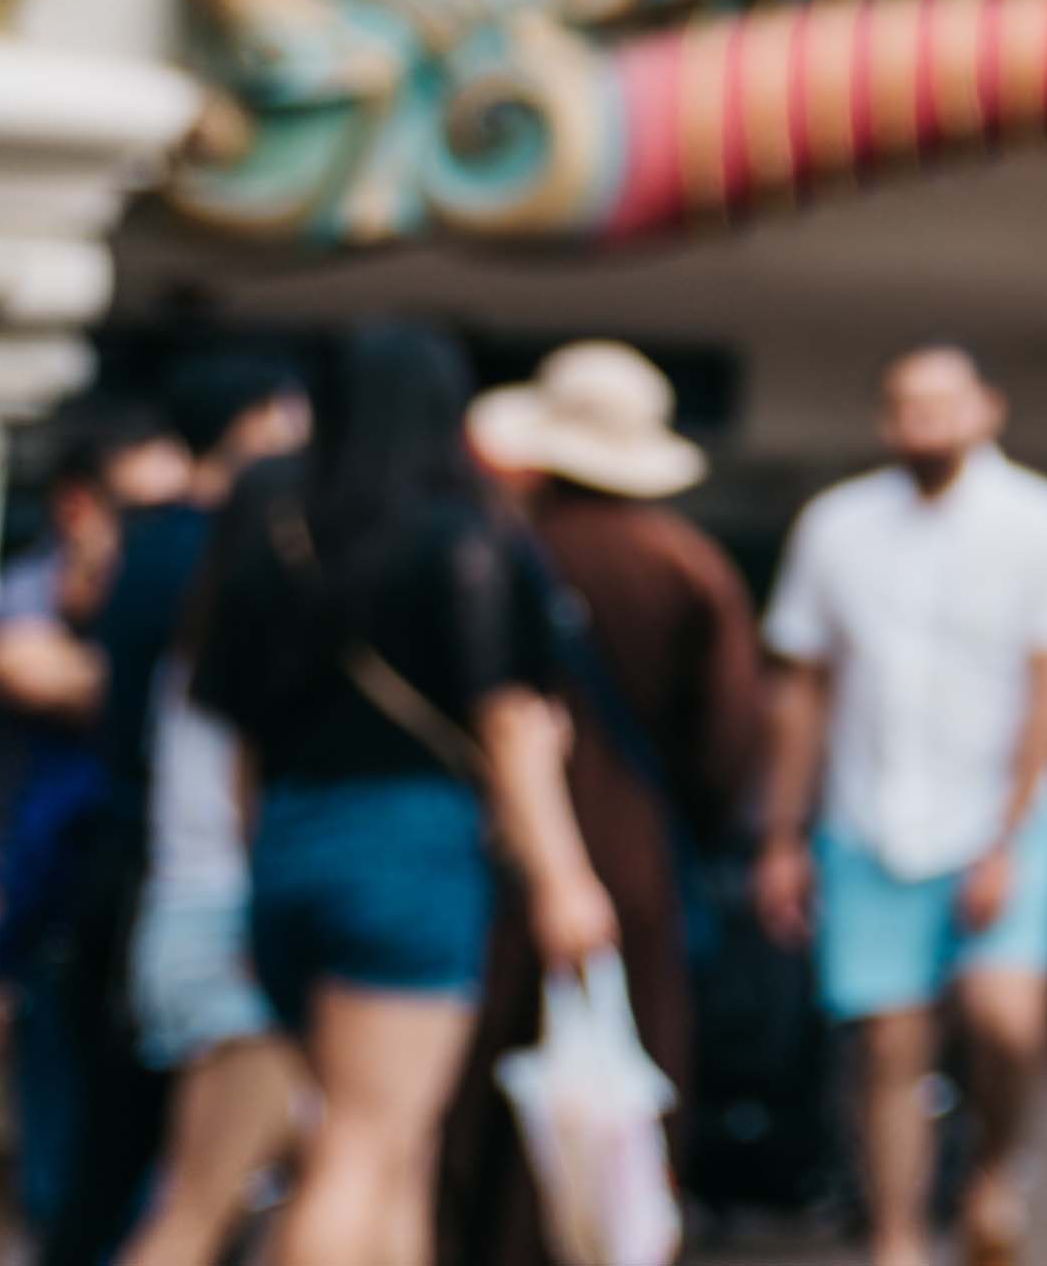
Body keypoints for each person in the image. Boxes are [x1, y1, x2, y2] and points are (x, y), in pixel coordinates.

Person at [190, 323, 618, 1266]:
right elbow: (510, 724)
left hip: (288, 843)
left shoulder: (271, 527)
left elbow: (238, 738)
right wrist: (564, 877)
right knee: (363, 1144)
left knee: (398, 1146)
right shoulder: (463, 533)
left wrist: (265, 854)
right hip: (409, 850)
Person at [757, 342, 1047, 1266]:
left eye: (942, 404)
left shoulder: (1045, 521)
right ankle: (898, 1236)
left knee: (1006, 1018)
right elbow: (802, 687)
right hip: (868, 813)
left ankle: (996, 1164)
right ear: (885, 420)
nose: (924, 423)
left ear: (986, 408)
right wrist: (782, 832)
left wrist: (1007, 834)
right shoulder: (836, 525)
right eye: (907, 407)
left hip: (1005, 813)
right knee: (886, 1044)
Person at [445, 343, 765, 1266]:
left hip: (485, 850)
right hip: (632, 856)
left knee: (487, 1091)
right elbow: (728, 741)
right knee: (622, 1082)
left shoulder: (489, 549)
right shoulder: (688, 566)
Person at [70, 352, 310, 1266]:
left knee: (193, 1187)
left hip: (169, 909)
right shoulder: (244, 636)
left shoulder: (160, 580)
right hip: (225, 924)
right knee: (199, 1207)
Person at [0, 402, 187, 1266]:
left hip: (96, 917)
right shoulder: (33, 596)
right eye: (145, 513)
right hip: (28, 909)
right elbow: (34, 672)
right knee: (5, 1148)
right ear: (81, 506)